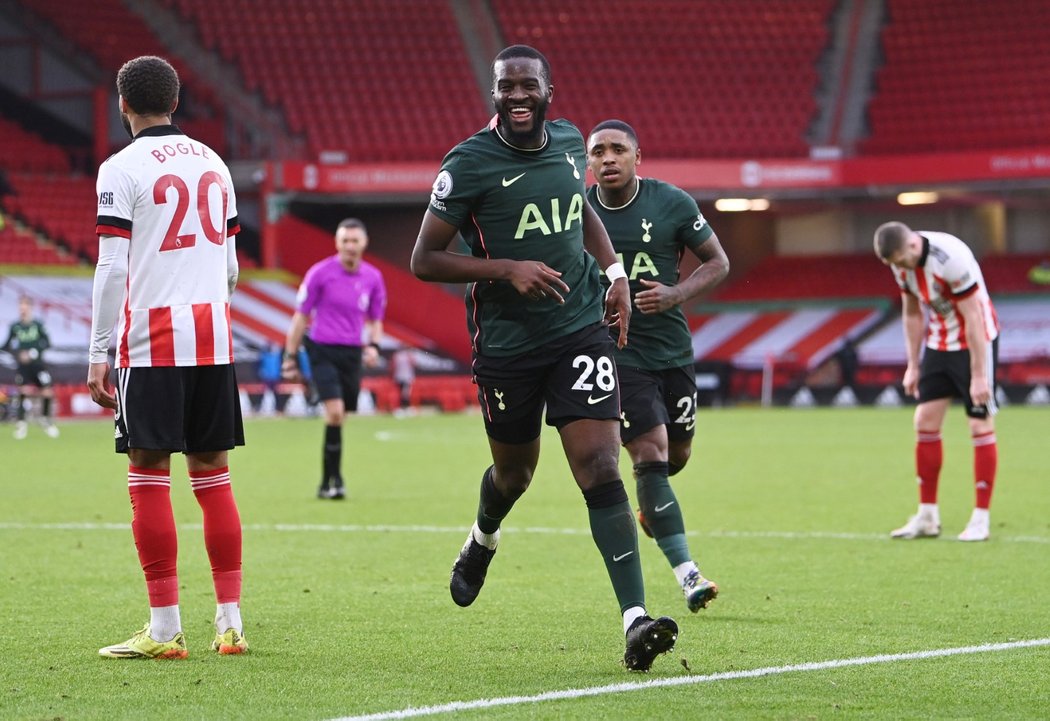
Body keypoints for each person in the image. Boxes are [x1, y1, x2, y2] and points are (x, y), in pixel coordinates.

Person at [410, 45, 677, 672]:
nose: (518, 96)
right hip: (506, 344)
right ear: (494, 93)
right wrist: (507, 268)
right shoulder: (468, 163)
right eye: (507, 87)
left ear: (549, 89)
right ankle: (482, 537)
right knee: (515, 475)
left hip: (579, 325)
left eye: (529, 86)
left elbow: (578, 209)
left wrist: (612, 272)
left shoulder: (567, 142)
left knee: (599, 463)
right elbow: (425, 259)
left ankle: (635, 619)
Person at [88, 55, 247, 658]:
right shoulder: (215, 163)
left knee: (148, 475)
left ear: (122, 105)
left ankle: (163, 630)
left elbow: (111, 266)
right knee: (213, 476)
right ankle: (229, 624)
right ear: (175, 102)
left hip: (152, 340)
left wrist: (99, 348)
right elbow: (230, 267)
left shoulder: (119, 168)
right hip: (214, 337)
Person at [585, 119, 730, 613]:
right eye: (598, 151)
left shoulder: (672, 202)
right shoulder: (576, 213)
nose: (608, 158)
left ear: (637, 156)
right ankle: (688, 574)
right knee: (649, 450)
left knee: (677, 456)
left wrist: (677, 293)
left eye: (617, 149)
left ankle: (653, 511)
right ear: (588, 161)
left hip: (671, 349)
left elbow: (718, 261)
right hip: (615, 352)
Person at [874, 221, 1000, 542]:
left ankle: (980, 519)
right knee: (925, 420)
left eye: (900, 261)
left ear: (913, 247)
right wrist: (913, 365)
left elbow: (974, 316)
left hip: (976, 342)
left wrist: (979, 376)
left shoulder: (951, 259)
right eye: (892, 265)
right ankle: (927, 516)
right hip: (939, 342)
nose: (898, 268)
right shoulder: (900, 264)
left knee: (979, 425)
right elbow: (912, 313)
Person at [281, 218, 386, 500]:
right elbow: (301, 316)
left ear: (364, 243)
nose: (350, 246)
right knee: (336, 412)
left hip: (352, 353)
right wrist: (289, 356)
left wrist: (374, 345)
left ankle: (327, 482)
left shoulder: (373, 278)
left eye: (355, 241)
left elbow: (376, 319)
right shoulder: (320, 273)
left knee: (340, 417)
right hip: (322, 349)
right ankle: (335, 481)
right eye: (345, 241)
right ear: (337, 243)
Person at [4, 295, 59, 439]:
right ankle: (21, 424)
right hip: (22, 366)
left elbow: (47, 342)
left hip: (38, 365)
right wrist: (18, 354)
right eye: (20, 307)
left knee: (47, 391)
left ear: (30, 308)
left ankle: (46, 420)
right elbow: (7, 345)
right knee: (22, 391)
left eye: (25, 306)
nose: (22, 310)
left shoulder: (38, 325)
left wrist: (35, 352)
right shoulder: (15, 327)